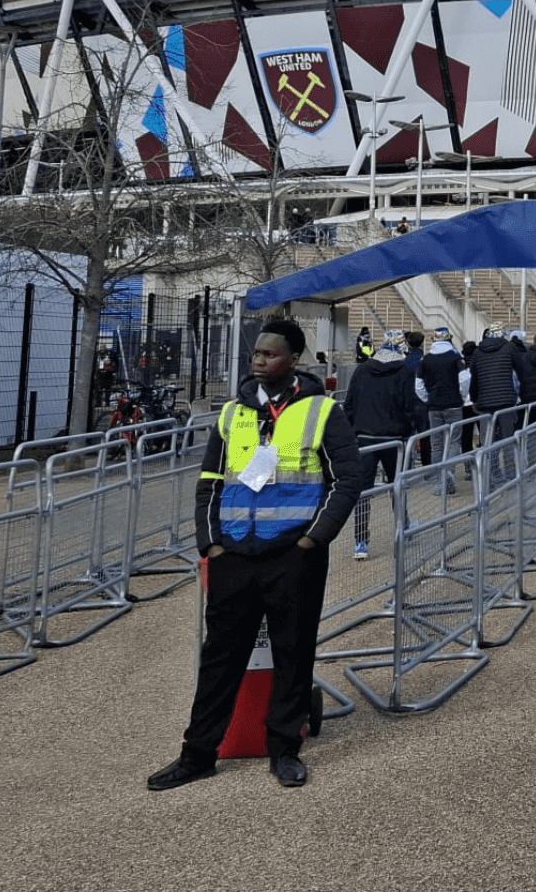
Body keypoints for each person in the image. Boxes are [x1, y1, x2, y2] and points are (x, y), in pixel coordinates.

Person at [148, 317, 361, 792]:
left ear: (293, 359)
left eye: (269, 354)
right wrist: (212, 544)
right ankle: (198, 753)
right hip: (235, 556)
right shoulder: (231, 413)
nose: (259, 360)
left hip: (293, 555)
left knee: (292, 653)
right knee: (220, 658)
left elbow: (347, 480)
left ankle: (284, 749)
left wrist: (314, 539)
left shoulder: (322, 411)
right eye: (256, 354)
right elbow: (209, 481)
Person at [344, 331, 427, 559]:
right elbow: (411, 405)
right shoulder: (405, 372)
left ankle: (360, 541)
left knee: (363, 491)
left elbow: (350, 403)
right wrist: (414, 429)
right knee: (397, 486)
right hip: (394, 437)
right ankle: (403, 527)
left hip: (364, 437)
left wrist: (352, 430)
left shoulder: (362, 370)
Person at [416, 327, 471, 492]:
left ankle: (438, 482)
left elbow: (418, 385)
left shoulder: (425, 360)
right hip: (454, 404)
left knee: (437, 444)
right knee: (454, 442)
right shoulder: (455, 357)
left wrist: (428, 398)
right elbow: (465, 378)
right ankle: (449, 478)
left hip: (434, 406)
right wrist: (462, 396)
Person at [469, 327, 523, 484]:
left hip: (485, 402)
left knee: (487, 442)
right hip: (506, 400)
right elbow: (522, 369)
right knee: (508, 439)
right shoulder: (509, 348)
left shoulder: (478, 352)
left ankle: (491, 476)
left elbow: (474, 378)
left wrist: (474, 399)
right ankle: (511, 475)